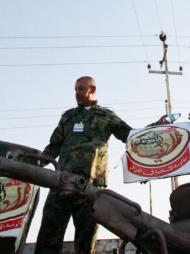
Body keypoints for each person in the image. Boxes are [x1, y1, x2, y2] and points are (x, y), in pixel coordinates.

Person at [34, 76, 164, 254]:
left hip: (90, 186)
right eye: (75, 89)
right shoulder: (69, 117)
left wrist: (156, 127)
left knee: (86, 241)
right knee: (47, 238)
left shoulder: (106, 116)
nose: (77, 93)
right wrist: (33, 163)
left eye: (81, 89)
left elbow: (130, 136)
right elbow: (53, 147)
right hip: (61, 183)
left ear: (92, 89)